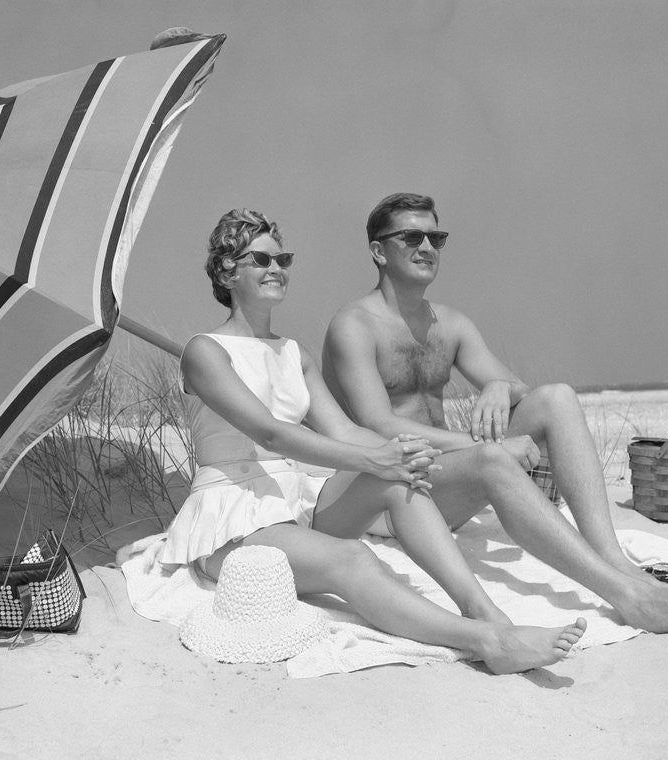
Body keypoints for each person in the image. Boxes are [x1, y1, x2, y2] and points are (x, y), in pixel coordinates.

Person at [162, 208, 589, 674]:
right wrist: (373, 457)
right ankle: (486, 641)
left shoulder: (291, 352)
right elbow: (272, 433)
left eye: (282, 260)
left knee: (402, 481)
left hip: (297, 500)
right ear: (227, 270)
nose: (277, 270)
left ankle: (486, 612)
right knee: (353, 557)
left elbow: (344, 431)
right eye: (261, 261)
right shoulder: (205, 351)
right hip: (235, 512)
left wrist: (403, 456)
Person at [322, 192, 668, 633]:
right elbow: (378, 424)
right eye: (412, 236)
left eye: (437, 237)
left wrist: (496, 387)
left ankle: (611, 556)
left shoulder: (449, 323)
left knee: (557, 398)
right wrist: (483, 445)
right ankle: (626, 596)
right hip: (386, 496)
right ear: (378, 250)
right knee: (492, 457)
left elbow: (520, 391)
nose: (428, 247)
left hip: (442, 485)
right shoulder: (354, 326)